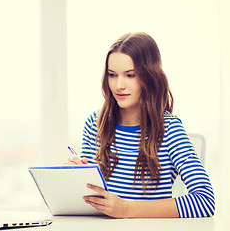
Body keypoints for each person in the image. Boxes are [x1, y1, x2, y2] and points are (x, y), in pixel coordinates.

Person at [65, 32, 215, 218]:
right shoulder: (94, 124)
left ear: (150, 77)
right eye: (112, 75)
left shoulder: (169, 129)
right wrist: (74, 179)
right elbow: (92, 201)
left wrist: (127, 209)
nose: (119, 85)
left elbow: (205, 201)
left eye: (130, 75)